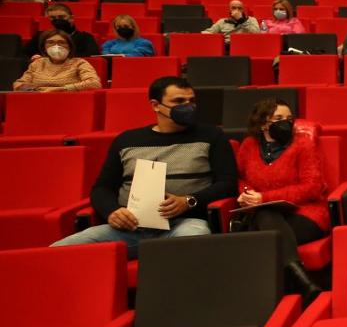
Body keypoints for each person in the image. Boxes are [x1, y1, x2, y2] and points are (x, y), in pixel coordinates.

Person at [52, 77, 237, 258]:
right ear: (156, 105)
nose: (188, 106)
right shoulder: (127, 140)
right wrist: (112, 211)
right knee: (59, 250)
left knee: (190, 244)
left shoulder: (211, 136)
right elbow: (102, 188)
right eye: (179, 101)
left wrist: (188, 201)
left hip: (184, 223)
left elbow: (227, 184)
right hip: (130, 226)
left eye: (192, 101)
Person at [233, 98, 327, 302]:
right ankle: (302, 282)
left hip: (305, 214)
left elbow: (312, 187)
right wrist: (247, 193)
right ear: (264, 123)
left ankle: (266, 300)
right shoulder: (249, 145)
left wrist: (264, 197)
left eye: (289, 119)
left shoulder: (303, 144)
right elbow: (240, 177)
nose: (286, 122)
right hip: (264, 213)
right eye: (279, 118)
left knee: (264, 229)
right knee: (266, 215)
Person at [13, 30, 101, 92]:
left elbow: (94, 83)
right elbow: (19, 84)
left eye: (62, 42)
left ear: (69, 47)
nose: (56, 46)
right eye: (50, 42)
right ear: (44, 47)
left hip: (69, 101)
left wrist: (61, 89)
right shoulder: (38, 63)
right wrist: (34, 90)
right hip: (39, 100)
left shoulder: (79, 63)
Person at [26, 4, 98, 57]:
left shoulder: (85, 38)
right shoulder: (41, 36)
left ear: (71, 18)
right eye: (53, 18)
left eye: (61, 17)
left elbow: (92, 56)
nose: (57, 20)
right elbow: (26, 53)